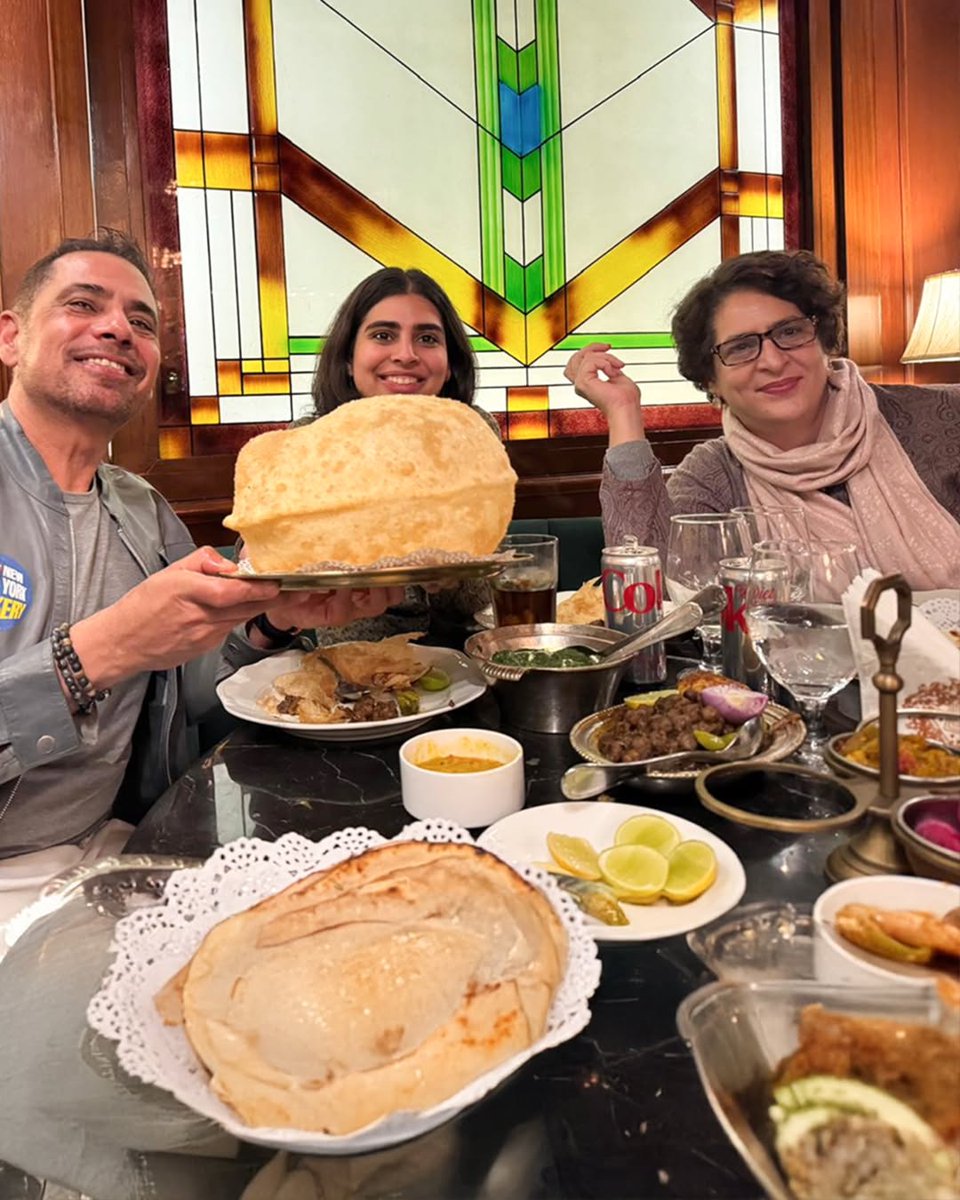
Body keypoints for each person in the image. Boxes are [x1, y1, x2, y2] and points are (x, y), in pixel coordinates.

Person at [0, 231, 402, 886]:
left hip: (115, 845)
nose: (118, 331)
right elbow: (118, 652)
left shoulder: (141, 507)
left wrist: (271, 622)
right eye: (83, 304)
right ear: (11, 336)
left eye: (141, 322)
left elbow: (193, 698)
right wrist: (96, 653)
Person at [565, 249, 960, 595]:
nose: (772, 361)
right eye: (740, 347)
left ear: (824, 338)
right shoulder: (713, 475)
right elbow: (651, 592)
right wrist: (623, 412)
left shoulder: (942, 419)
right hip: (805, 678)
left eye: (789, 331)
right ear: (710, 380)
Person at [305, 267, 502, 645]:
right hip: (354, 676)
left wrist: (445, 573)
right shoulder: (311, 443)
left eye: (427, 338)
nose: (406, 355)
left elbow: (481, 600)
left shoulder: (472, 433)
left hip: (471, 666)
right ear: (348, 358)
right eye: (383, 335)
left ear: (449, 364)